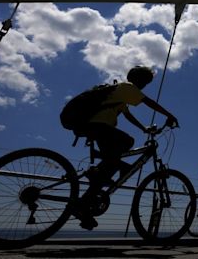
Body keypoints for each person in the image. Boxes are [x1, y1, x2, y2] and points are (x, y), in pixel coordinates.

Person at [75, 65, 178, 230]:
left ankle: (85, 203)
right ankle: (98, 175)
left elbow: (128, 115)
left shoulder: (119, 93)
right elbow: (148, 102)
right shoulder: (127, 87)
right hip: (98, 126)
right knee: (127, 142)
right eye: (145, 81)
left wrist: (144, 128)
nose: (145, 85)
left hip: (95, 126)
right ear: (139, 79)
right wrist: (169, 115)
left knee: (109, 167)